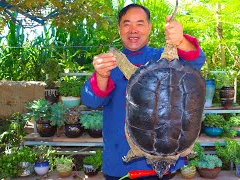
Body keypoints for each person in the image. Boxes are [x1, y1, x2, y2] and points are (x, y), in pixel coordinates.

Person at [81, 3, 205, 180]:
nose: (133, 30)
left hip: (165, 159)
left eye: (139, 23)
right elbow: (91, 101)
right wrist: (101, 75)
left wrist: (180, 41)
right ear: (119, 28)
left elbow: (196, 61)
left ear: (149, 27)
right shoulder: (110, 64)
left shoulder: (163, 58)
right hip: (119, 163)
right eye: (127, 24)